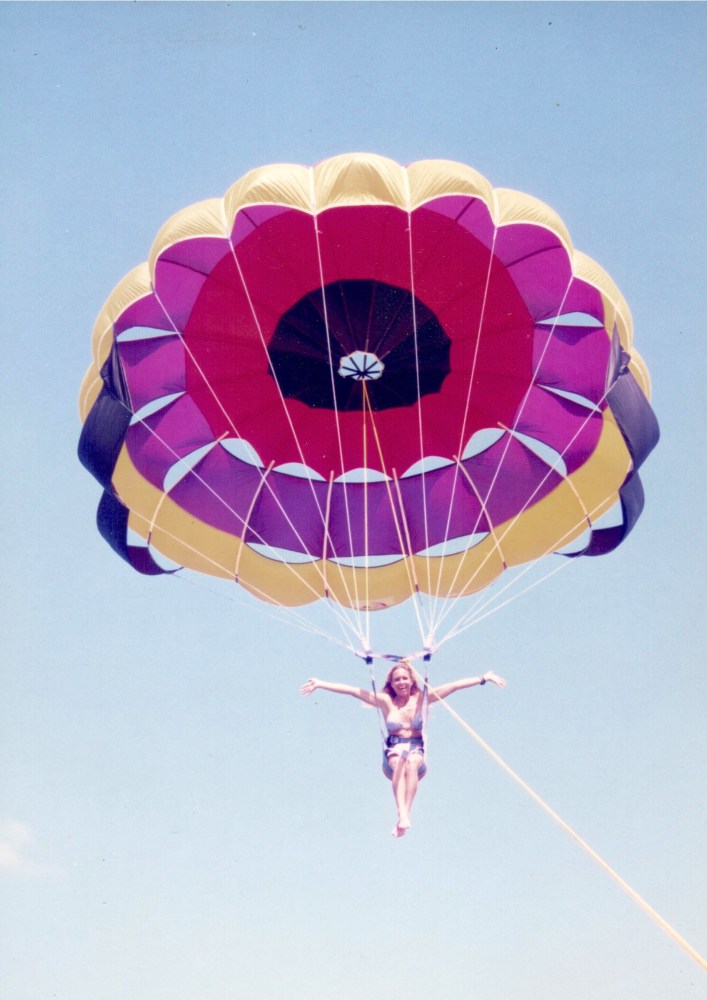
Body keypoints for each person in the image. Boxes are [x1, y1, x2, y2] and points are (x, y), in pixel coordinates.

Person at [300, 660, 506, 838]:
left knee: (411, 762)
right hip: (393, 752)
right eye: (397, 679)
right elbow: (354, 691)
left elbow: (452, 686)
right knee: (400, 761)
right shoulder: (385, 701)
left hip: (417, 752)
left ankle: (405, 813)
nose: (401, 683)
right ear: (391, 683)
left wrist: (483, 678)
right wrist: (321, 684)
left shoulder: (422, 699)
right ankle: (402, 813)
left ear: (412, 680)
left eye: (404, 678)